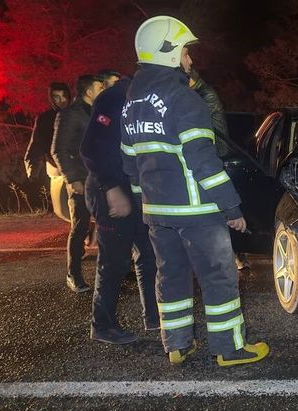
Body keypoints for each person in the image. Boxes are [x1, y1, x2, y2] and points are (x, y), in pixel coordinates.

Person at [122, 15, 269, 366]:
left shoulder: (131, 103)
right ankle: (230, 349)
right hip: (197, 211)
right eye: (187, 52)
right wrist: (232, 208)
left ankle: (176, 345)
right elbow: (203, 159)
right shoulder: (184, 99)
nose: (190, 59)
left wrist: (144, 200)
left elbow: (129, 161)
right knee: (218, 275)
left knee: (170, 274)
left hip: (158, 211)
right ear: (170, 53)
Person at [80, 72, 159, 344]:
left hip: (133, 190)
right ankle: (102, 325)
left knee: (148, 254)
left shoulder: (143, 99)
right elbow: (91, 148)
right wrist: (112, 189)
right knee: (114, 261)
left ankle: (154, 317)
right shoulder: (114, 98)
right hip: (108, 190)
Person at [52, 74, 104, 293]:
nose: (103, 89)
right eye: (99, 86)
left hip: (100, 177)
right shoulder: (70, 114)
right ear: (89, 91)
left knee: (107, 225)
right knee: (80, 226)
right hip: (81, 179)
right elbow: (58, 150)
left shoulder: (98, 111)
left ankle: (109, 271)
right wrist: (72, 179)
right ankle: (73, 275)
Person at [23, 82, 71, 209]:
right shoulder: (45, 119)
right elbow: (37, 143)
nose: (62, 100)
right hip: (56, 167)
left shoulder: (78, 113)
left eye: (64, 95)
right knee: (63, 206)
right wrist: (32, 167)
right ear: (51, 98)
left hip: (79, 166)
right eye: (57, 97)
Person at [188, 67, 231, 157]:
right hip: (209, 151)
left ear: (190, 79)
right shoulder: (197, 93)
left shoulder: (207, 95)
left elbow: (193, 121)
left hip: (218, 152)